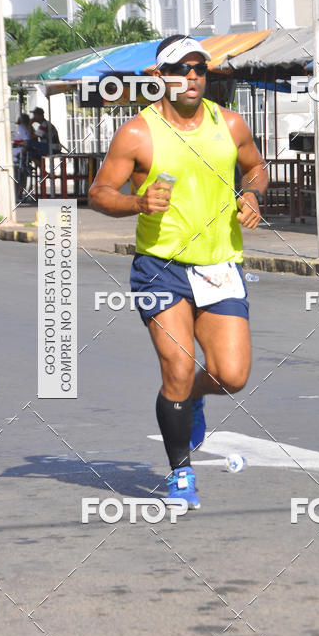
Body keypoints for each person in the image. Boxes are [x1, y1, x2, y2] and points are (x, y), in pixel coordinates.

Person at [88, 34, 268, 510]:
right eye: (180, 69)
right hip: (159, 269)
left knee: (231, 376)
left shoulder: (229, 124)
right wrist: (135, 202)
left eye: (199, 69)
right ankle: (180, 472)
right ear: (157, 77)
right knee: (179, 367)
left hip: (219, 265)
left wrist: (251, 195)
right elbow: (100, 192)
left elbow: (255, 168)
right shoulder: (137, 133)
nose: (191, 77)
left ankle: (192, 399)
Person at [12, 113, 30, 201]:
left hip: (13, 156)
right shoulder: (22, 128)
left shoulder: (15, 128)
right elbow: (27, 143)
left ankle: (16, 195)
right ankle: (18, 195)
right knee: (21, 176)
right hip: (19, 156)